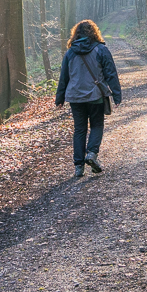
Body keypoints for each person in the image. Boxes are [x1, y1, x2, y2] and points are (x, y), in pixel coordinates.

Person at [55, 20, 122, 178]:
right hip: (95, 96)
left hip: (75, 97)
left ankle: (78, 166)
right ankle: (91, 153)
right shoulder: (101, 50)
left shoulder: (70, 53)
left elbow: (64, 77)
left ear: (76, 34)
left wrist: (60, 98)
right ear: (94, 32)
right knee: (97, 125)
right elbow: (111, 73)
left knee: (79, 129)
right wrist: (117, 95)